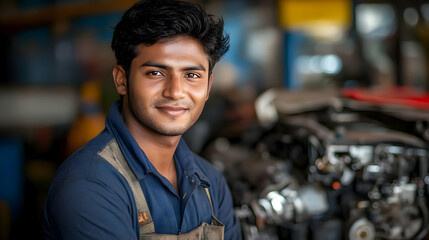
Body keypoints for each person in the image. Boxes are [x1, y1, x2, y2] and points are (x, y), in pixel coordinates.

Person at [43, 0, 242, 239]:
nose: (175, 91)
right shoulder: (90, 185)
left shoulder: (210, 183)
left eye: (191, 75)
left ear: (208, 86)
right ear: (121, 80)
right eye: (155, 73)